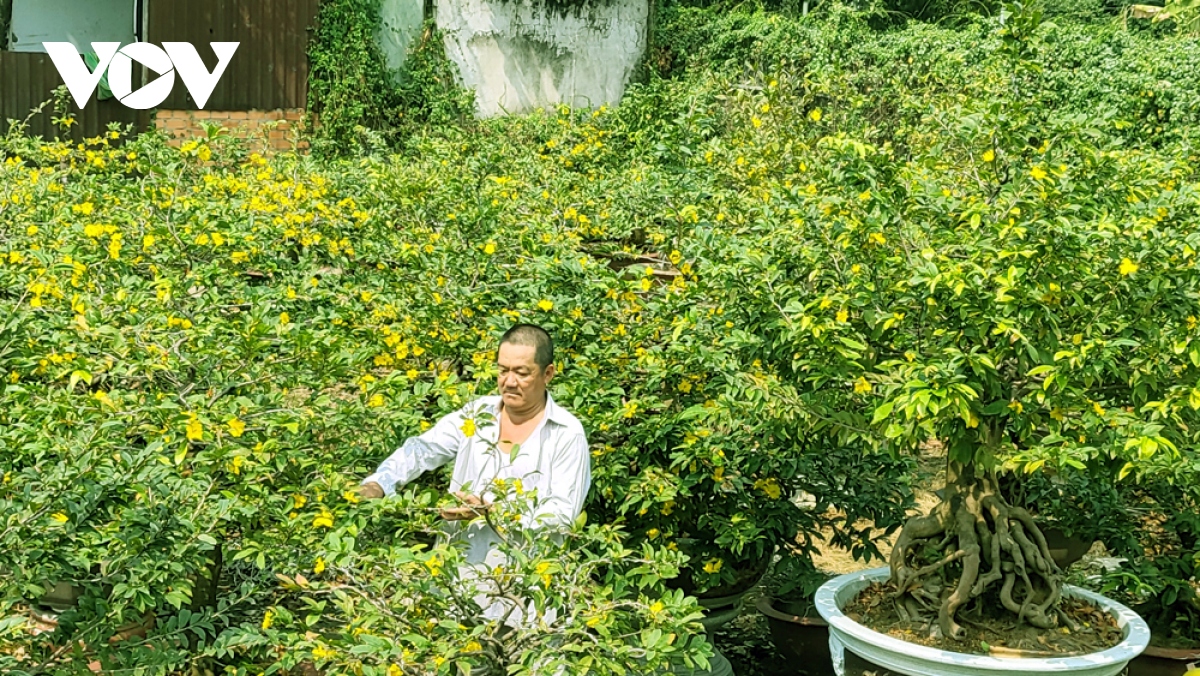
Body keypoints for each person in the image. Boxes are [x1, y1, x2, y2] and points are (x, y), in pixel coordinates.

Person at [359, 324, 591, 626]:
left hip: (528, 603)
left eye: (522, 372)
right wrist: (379, 482)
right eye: (502, 370)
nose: (509, 382)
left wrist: (494, 512)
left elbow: (563, 514)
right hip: (460, 593)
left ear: (547, 374)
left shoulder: (566, 434)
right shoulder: (476, 415)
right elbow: (422, 449)